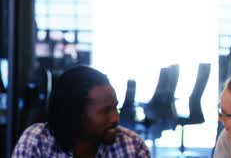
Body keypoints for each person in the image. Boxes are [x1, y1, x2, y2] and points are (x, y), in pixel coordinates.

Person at [12, 66, 150, 157]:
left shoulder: (132, 146)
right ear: (75, 114)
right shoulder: (38, 141)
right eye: (105, 111)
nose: (115, 118)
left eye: (115, 108)